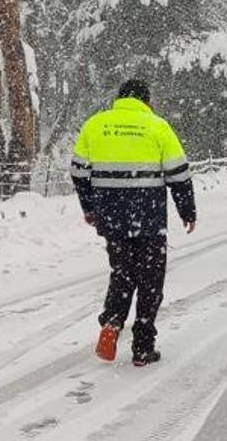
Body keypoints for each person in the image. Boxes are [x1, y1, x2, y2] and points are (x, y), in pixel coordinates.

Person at [71, 79, 197, 366]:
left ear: (120, 98)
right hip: (149, 217)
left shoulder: (95, 124)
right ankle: (142, 345)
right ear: (146, 100)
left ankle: (113, 322)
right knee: (151, 279)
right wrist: (187, 211)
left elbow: (78, 172)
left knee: (122, 272)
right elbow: (179, 175)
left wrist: (90, 207)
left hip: (111, 217)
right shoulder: (158, 126)